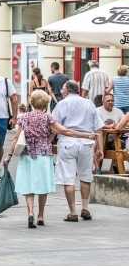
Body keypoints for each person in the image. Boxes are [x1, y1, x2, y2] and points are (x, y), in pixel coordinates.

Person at [4, 90, 98, 228]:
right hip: (43, 155)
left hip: (27, 154)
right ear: (46, 103)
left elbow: (17, 137)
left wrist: (9, 155)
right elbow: (65, 131)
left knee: (29, 186)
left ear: (32, 102)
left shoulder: (23, 118)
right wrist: (86, 136)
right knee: (42, 185)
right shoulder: (48, 119)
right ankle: (41, 216)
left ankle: (30, 212)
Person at [52, 80, 104, 222]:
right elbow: (98, 128)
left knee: (68, 177)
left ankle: (73, 211)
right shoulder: (89, 103)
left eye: (63, 89)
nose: (62, 91)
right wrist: (100, 148)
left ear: (67, 91)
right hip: (87, 142)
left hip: (68, 142)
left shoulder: (62, 104)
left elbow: (54, 125)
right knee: (85, 176)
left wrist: (48, 143)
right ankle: (85, 208)